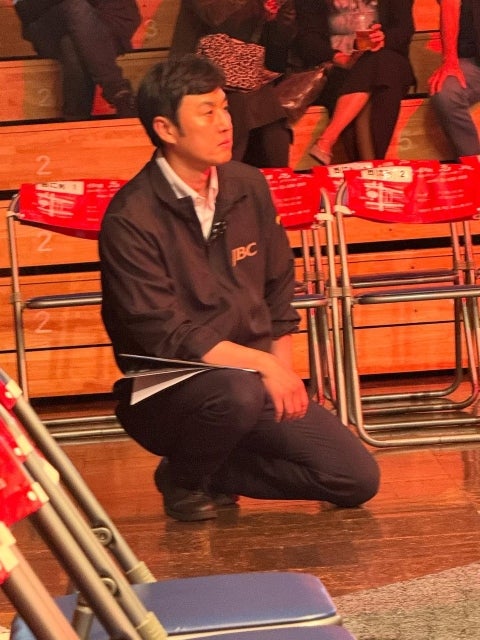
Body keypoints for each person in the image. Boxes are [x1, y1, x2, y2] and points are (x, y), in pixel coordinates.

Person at [98, 54, 380, 522]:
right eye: (206, 112)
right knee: (236, 393)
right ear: (166, 129)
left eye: (224, 107)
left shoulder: (247, 185)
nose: (224, 122)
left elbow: (277, 286)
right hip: (169, 388)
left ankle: (214, 470)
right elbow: (164, 331)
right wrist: (262, 365)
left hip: (250, 375)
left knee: (354, 479)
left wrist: (281, 372)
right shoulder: (133, 216)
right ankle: (184, 478)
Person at [169, 0, 296, 168]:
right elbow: (214, 16)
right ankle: (226, 179)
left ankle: (277, 180)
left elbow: (278, 47)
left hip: (245, 76)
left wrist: (280, 14)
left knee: (275, 128)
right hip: (198, 74)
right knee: (238, 113)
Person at [294, 0, 415, 164]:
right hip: (338, 68)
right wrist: (336, 56)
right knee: (371, 84)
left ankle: (328, 139)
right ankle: (372, 167)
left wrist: (384, 39)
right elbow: (306, 39)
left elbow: (404, 28)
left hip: (387, 62)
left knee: (382, 65)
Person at [13, 0, 141, 120]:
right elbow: (24, 8)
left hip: (103, 23)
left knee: (72, 44)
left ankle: (76, 121)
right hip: (48, 26)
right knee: (75, 6)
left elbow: (125, 13)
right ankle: (119, 92)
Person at [428, 0, 480, 159]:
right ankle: (474, 164)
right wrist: (450, 61)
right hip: (472, 61)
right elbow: (449, 4)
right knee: (446, 91)